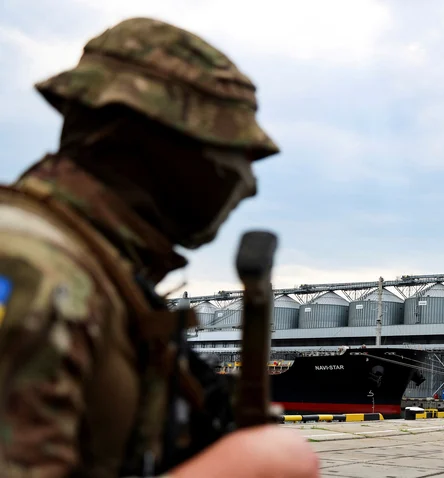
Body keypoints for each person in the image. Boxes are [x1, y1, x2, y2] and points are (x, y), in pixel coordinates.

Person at [0, 17, 319, 478]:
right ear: (148, 143)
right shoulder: (29, 266)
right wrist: (240, 469)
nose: (247, 185)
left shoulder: (99, 272)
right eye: (231, 153)